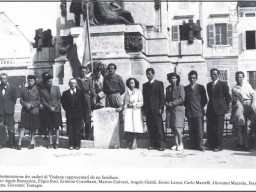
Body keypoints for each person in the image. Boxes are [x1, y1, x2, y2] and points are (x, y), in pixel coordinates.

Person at [206, 68, 231, 152]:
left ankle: (219, 145)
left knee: (219, 129)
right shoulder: (208, 85)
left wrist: (225, 107)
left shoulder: (223, 84)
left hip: (220, 110)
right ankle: (211, 145)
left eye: (215, 74)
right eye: (211, 74)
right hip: (210, 109)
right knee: (211, 127)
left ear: (218, 75)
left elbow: (228, 97)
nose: (213, 76)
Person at [230, 71, 256, 151]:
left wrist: (253, 104)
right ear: (235, 78)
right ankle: (244, 145)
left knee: (253, 124)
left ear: (243, 77)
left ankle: (252, 137)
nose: (239, 79)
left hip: (248, 105)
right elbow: (233, 100)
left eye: (240, 77)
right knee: (242, 126)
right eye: (237, 77)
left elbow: (253, 95)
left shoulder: (247, 86)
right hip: (240, 106)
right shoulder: (234, 88)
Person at [184, 70, 208, 151]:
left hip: (198, 111)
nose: (192, 79)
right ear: (188, 78)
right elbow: (185, 100)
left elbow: (205, 100)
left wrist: (199, 106)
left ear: (196, 78)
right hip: (189, 111)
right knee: (191, 129)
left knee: (199, 129)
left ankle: (200, 145)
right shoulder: (185, 88)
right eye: (190, 78)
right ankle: (192, 144)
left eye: (194, 78)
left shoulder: (200, 87)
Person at [142, 68, 165, 151]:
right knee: (150, 128)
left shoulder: (159, 84)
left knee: (159, 128)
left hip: (156, 110)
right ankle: (152, 144)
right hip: (148, 110)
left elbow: (162, 97)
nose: (148, 76)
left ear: (153, 74)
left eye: (149, 74)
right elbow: (144, 98)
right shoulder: (145, 85)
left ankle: (161, 144)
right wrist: (144, 109)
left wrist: (161, 108)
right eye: (147, 74)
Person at [118, 78, 144, 150]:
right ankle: (129, 142)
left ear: (135, 83)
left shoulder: (138, 92)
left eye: (132, 82)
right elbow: (123, 102)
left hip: (136, 111)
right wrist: (121, 107)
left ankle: (134, 142)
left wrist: (133, 105)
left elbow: (141, 102)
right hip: (129, 111)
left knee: (135, 126)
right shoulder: (127, 92)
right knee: (129, 127)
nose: (131, 84)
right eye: (129, 83)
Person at [17, 75, 41, 150]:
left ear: (34, 81)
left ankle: (32, 142)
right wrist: (25, 104)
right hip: (25, 111)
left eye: (31, 81)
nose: (30, 82)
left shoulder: (37, 90)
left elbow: (39, 100)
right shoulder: (24, 89)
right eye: (29, 81)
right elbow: (21, 100)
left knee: (33, 128)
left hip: (33, 111)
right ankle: (19, 142)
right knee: (22, 127)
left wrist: (31, 105)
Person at [62, 78, 85, 150]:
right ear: (69, 84)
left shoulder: (80, 92)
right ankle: (71, 144)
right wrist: (68, 110)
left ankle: (77, 144)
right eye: (71, 83)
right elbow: (63, 103)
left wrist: (81, 112)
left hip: (78, 114)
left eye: (73, 83)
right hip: (70, 114)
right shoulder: (65, 93)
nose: (72, 85)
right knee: (70, 130)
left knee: (77, 130)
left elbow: (84, 103)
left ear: (76, 84)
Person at [41, 75, 62, 149]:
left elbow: (59, 99)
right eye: (49, 81)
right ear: (46, 82)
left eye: (51, 81)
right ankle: (50, 142)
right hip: (48, 111)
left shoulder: (56, 88)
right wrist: (50, 107)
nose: (50, 82)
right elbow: (43, 101)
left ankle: (57, 142)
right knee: (49, 127)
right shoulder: (43, 91)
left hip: (56, 110)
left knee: (56, 127)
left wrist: (55, 106)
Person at [165, 73, 185, 151]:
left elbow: (182, 98)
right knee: (173, 127)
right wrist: (167, 103)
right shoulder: (168, 88)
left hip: (178, 109)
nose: (172, 80)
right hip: (170, 109)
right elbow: (166, 99)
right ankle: (176, 144)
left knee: (177, 127)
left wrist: (173, 103)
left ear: (177, 79)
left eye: (174, 78)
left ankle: (181, 143)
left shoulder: (181, 87)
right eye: (170, 78)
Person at [76, 65, 96, 140]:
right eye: (82, 71)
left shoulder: (89, 80)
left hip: (87, 99)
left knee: (87, 117)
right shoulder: (76, 80)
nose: (83, 73)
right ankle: (81, 134)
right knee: (80, 118)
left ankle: (88, 134)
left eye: (85, 72)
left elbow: (92, 90)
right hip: (78, 99)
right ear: (79, 72)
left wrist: (93, 98)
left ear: (87, 72)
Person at [0, 73, 17, 149]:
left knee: (11, 128)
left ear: (7, 79)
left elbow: (14, 99)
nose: (3, 80)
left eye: (4, 78)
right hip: (1, 111)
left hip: (9, 111)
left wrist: (10, 107)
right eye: (2, 78)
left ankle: (12, 143)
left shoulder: (12, 87)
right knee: (1, 128)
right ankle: (2, 143)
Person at [37, 72, 49, 139]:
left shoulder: (49, 84)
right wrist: (40, 103)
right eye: (45, 77)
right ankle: (41, 130)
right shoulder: (39, 85)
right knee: (42, 117)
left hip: (48, 103)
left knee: (49, 117)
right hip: (42, 103)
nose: (46, 78)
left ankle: (49, 130)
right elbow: (38, 94)